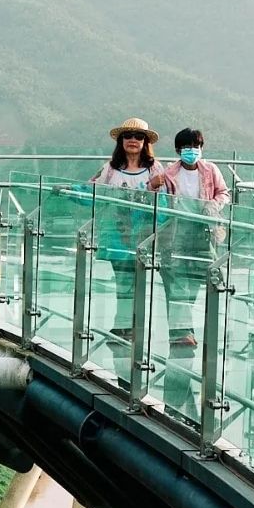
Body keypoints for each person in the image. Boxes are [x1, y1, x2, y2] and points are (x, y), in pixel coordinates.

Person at [148, 128, 231, 420]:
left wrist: (212, 205)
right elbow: (151, 197)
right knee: (174, 280)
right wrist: (153, 185)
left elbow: (224, 192)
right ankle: (181, 333)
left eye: (194, 146)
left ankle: (185, 331)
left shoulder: (210, 170)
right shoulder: (168, 173)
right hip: (175, 234)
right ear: (178, 150)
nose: (191, 150)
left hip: (204, 233)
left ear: (201, 148)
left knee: (196, 279)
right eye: (185, 146)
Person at [91, 117, 167, 347]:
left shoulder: (155, 169)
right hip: (117, 235)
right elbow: (93, 189)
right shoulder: (111, 169)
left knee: (136, 282)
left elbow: (163, 203)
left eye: (138, 136)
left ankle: (129, 326)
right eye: (128, 136)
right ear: (121, 140)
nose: (133, 140)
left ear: (145, 142)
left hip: (143, 234)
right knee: (123, 282)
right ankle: (124, 325)